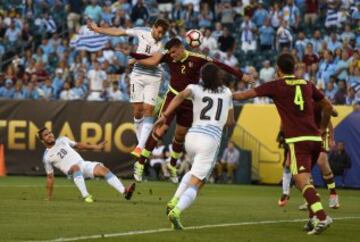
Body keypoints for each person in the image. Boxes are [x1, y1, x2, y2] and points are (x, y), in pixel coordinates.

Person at [233, 53, 333, 235]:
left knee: (300, 179)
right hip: (315, 139)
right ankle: (312, 218)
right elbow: (328, 106)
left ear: (278, 69)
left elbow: (243, 96)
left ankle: (322, 216)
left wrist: (224, 95)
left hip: (298, 140)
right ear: (294, 67)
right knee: (307, 179)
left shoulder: (276, 85)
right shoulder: (307, 84)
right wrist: (323, 127)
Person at [130, 38, 252, 183]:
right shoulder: (167, 55)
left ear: (181, 48)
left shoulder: (197, 58)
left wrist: (241, 76)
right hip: (173, 96)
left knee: (180, 135)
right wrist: (133, 56)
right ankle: (141, 163)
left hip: (189, 101)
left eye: (174, 52)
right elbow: (151, 58)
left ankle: (172, 165)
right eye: (170, 53)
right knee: (161, 129)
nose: (172, 56)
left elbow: (220, 64)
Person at [155, 63, 234, 229]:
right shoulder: (227, 92)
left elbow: (180, 96)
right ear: (218, 77)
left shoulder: (194, 88)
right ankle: (176, 211)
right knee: (198, 182)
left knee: (193, 172)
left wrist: (165, 115)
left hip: (192, 136)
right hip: (210, 139)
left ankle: (174, 200)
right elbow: (230, 121)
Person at [88, 18, 170, 158]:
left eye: (163, 33)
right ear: (154, 27)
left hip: (154, 77)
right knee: (137, 111)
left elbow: (154, 61)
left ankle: (139, 147)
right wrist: (99, 29)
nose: (161, 35)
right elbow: (119, 32)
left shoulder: (165, 42)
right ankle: (141, 142)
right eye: (159, 32)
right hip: (137, 75)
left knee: (148, 110)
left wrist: (134, 57)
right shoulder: (141, 31)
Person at [38, 127, 135, 202]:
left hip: (83, 164)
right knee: (75, 167)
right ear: (42, 140)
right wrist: (49, 196)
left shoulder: (62, 139)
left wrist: (96, 147)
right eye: (46, 135)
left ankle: (124, 192)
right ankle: (86, 195)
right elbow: (50, 177)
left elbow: (79, 145)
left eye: (50, 132)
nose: (50, 135)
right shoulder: (47, 157)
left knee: (103, 170)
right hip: (71, 171)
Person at [279, 104, 340, 209]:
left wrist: (331, 138)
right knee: (299, 171)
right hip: (306, 135)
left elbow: (329, 115)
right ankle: (311, 198)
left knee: (321, 161)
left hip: (322, 133)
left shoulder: (315, 99)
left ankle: (333, 194)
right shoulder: (295, 104)